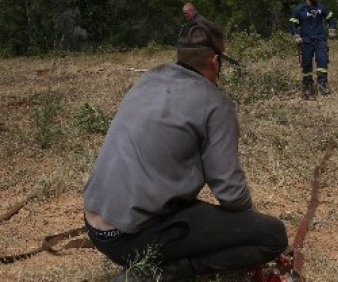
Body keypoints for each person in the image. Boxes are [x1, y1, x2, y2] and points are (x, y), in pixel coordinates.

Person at [82, 20, 288, 281]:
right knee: (271, 236)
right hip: (131, 237)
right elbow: (230, 192)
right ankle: (157, 273)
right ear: (215, 62)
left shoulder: (147, 79)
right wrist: (249, 224)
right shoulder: (215, 104)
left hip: (96, 227)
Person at [289, 0, 337, 97]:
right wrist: (296, 35)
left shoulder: (321, 7)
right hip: (306, 41)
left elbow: (331, 18)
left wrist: (332, 28)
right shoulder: (299, 10)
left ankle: (323, 85)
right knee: (306, 65)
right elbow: (293, 24)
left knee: (322, 62)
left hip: (320, 40)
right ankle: (307, 86)